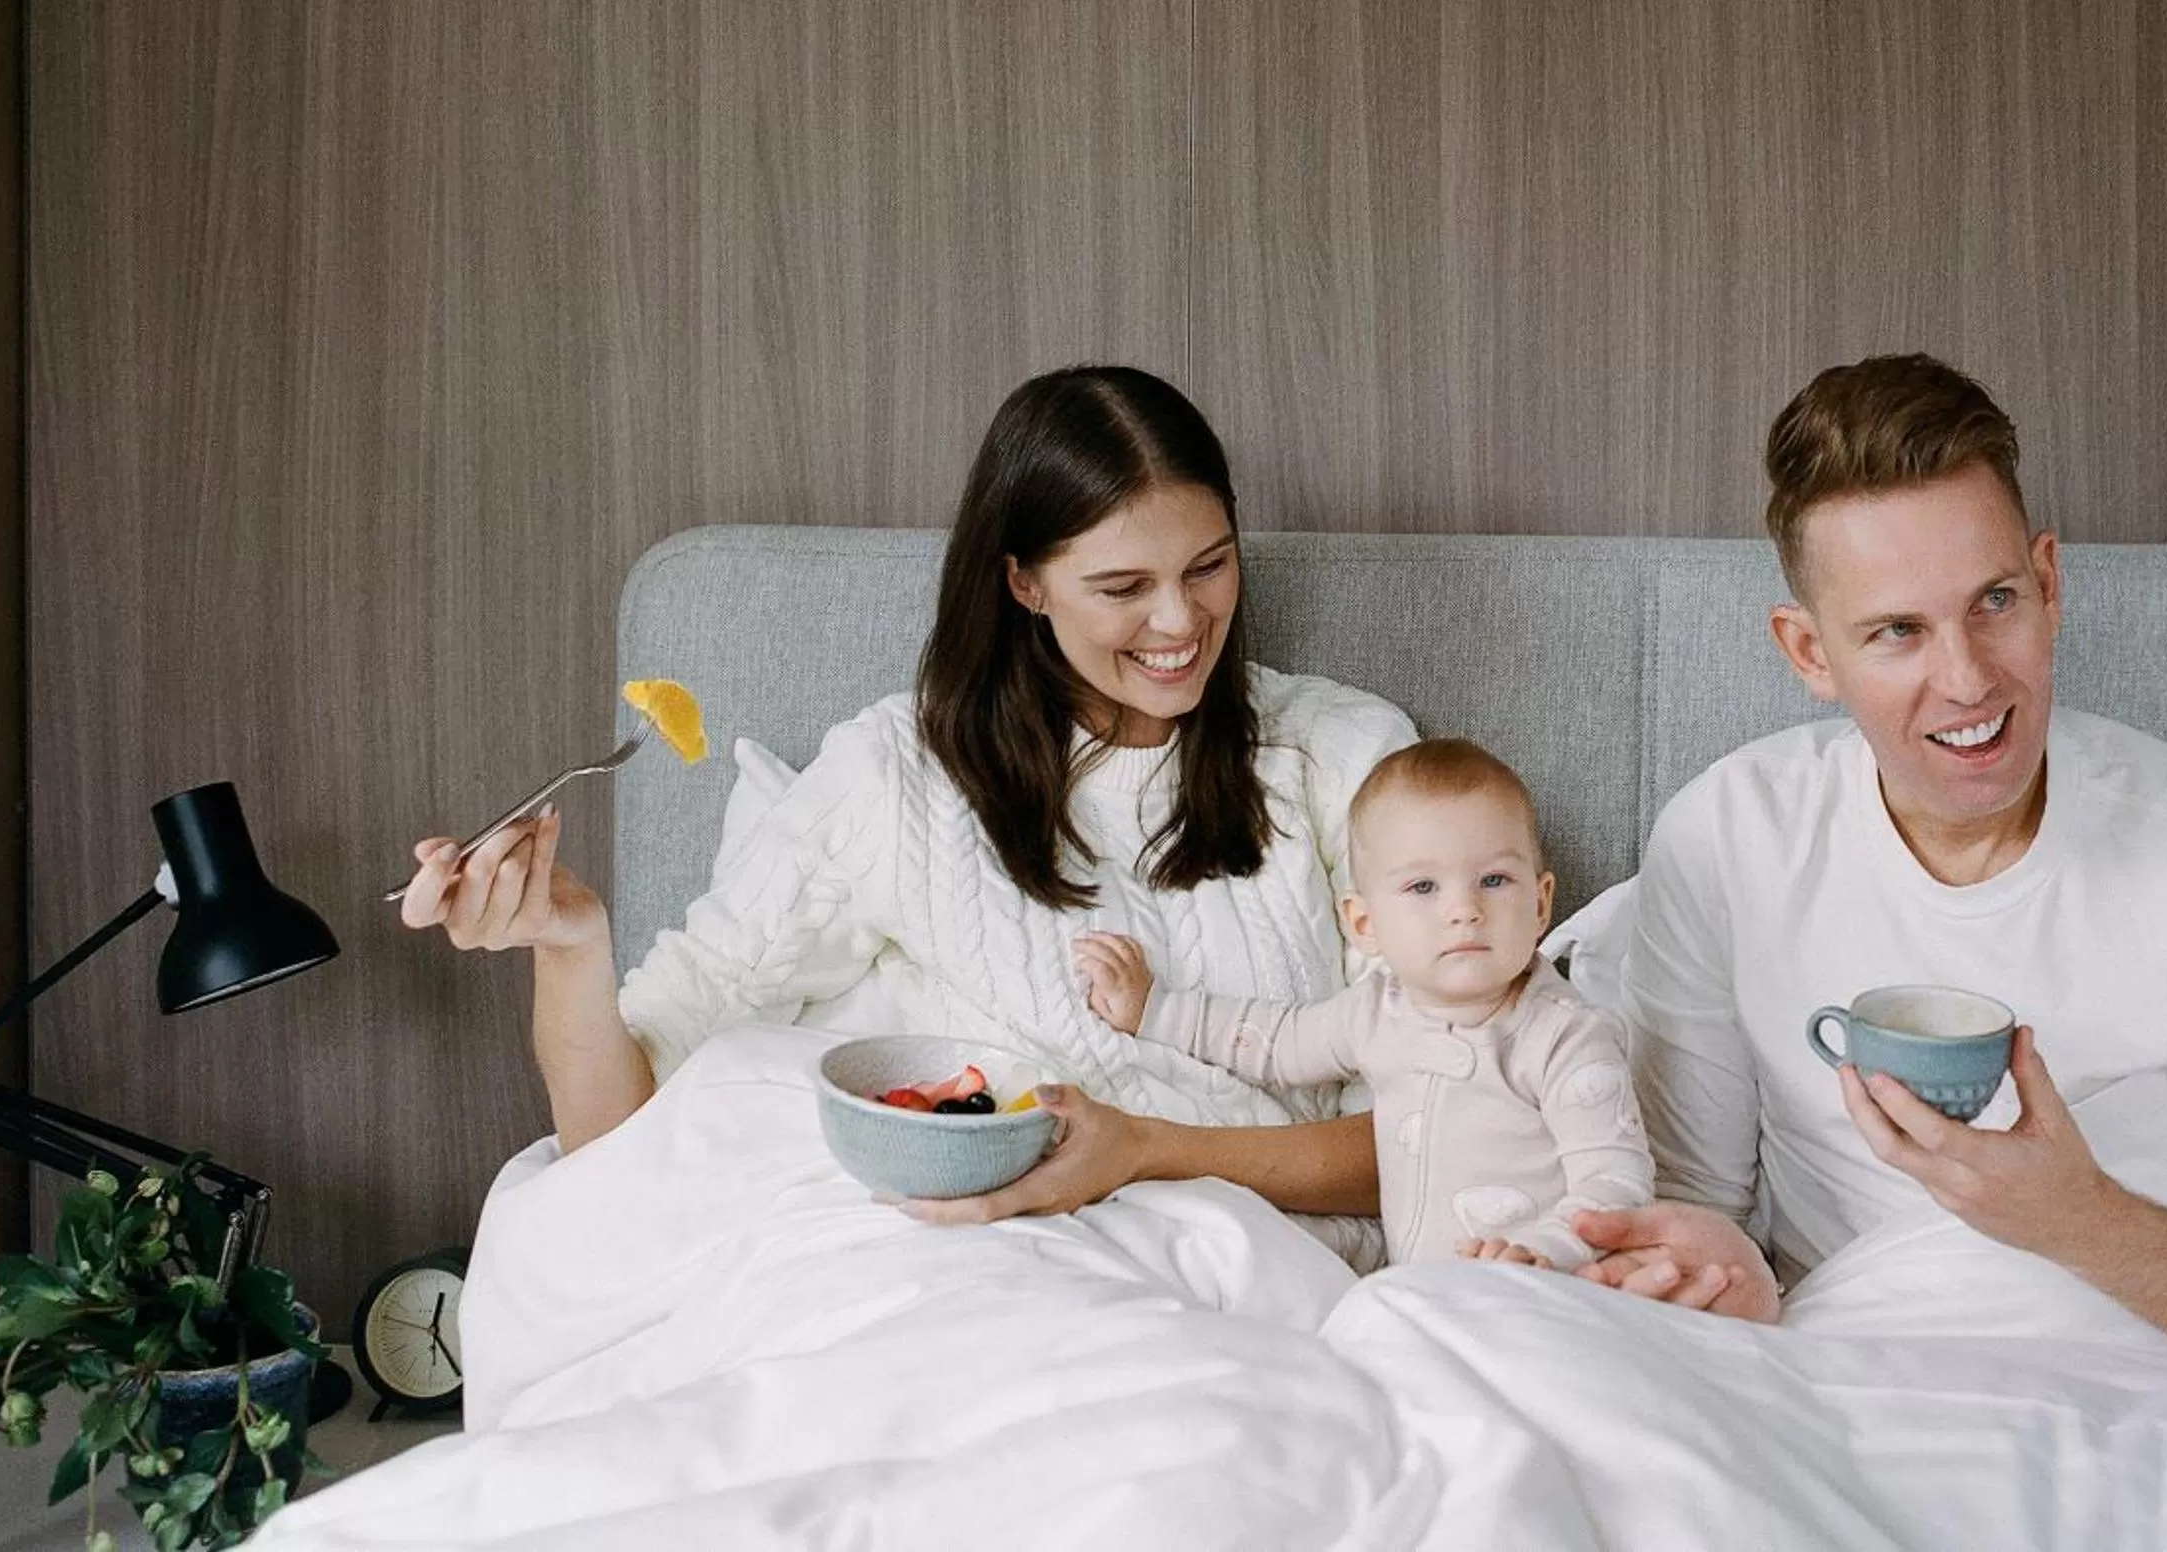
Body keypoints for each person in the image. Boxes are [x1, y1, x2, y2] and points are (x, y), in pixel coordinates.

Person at [1576, 354, 2167, 1388]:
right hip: (1842, 1370)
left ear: (2048, 584)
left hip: (2139, 1384)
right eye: (1896, 632)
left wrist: (2080, 1221)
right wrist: (1718, 1274)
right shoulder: (1726, 840)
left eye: (1993, 600)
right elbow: (1695, 1208)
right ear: (1808, 653)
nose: (1965, 682)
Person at [397, 364, 1416, 1234]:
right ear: (1023, 585)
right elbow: (615, 1137)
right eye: (1120, 588)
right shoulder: (894, 775)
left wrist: (1143, 1151)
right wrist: (570, 943)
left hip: (1249, 1261)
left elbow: (1441, 1142)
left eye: (1209, 567)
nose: (1179, 621)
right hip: (972, 1263)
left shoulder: (1345, 756)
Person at [1074, 738, 1652, 1267]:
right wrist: (1156, 1009)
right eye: (1424, 888)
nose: (1464, 910)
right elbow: (1276, 1043)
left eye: (1495, 880)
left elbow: (1616, 1183)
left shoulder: (1566, 1037)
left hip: (1544, 1296)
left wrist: (1544, 1254)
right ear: (1364, 924)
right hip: (1418, 1298)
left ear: (1541, 903)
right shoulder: (1377, 1012)